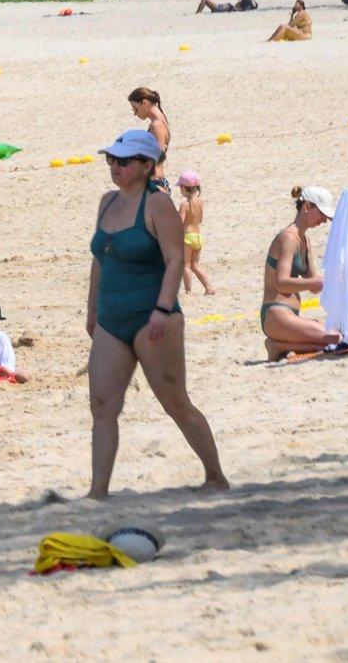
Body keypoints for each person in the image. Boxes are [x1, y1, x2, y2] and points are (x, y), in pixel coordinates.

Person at [85, 128, 227, 499]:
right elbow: (100, 260)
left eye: (123, 160)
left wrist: (163, 309)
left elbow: (175, 259)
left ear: (146, 165)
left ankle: (215, 475)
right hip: (111, 320)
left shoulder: (158, 204)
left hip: (153, 316)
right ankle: (98, 492)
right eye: (111, 159)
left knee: (175, 402)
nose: (114, 166)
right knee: (102, 406)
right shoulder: (107, 202)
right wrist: (92, 312)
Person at [262, 185, 340, 360]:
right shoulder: (288, 238)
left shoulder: (304, 239)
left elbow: (313, 282)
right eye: (321, 214)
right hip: (276, 314)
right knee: (336, 338)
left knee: (337, 339)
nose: (324, 220)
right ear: (307, 207)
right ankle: (278, 345)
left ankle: (280, 346)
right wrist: (315, 283)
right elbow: (281, 283)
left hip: (289, 314)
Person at [175, 170, 213, 294]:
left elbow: (179, 222)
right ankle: (209, 287)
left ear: (184, 188)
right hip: (198, 236)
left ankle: (188, 290)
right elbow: (200, 219)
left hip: (188, 237)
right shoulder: (200, 202)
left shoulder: (184, 205)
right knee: (195, 265)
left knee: (185, 265)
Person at [127, 87, 171, 188]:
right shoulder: (160, 121)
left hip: (154, 182)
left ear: (145, 103)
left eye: (136, 109)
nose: (135, 114)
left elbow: (158, 157)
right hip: (156, 182)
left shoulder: (156, 125)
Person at [193, 0, 258, 13]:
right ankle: (198, 13)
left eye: (239, 2)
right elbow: (254, 6)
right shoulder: (241, 9)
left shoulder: (231, 6)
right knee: (213, 7)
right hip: (225, 8)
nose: (238, 2)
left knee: (205, 0)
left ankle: (198, 13)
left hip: (225, 7)